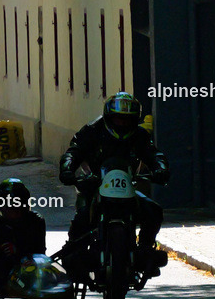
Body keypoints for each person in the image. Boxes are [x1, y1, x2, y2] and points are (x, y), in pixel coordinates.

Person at [58, 91, 169, 275]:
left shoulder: (139, 135)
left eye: (127, 120)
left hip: (128, 187)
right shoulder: (92, 130)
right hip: (95, 185)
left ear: (135, 120)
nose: (122, 124)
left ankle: (145, 247)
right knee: (82, 217)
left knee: (153, 211)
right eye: (118, 119)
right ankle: (73, 255)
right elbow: (74, 151)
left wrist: (161, 169)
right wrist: (67, 169)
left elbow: (154, 154)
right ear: (109, 117)